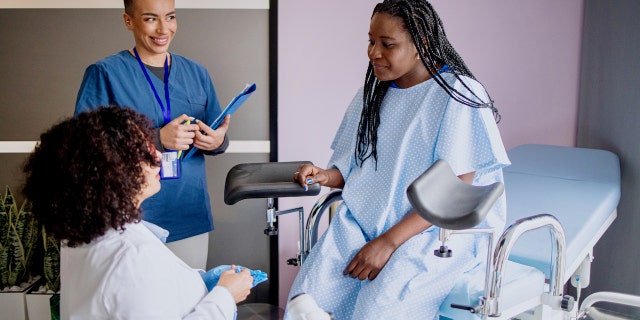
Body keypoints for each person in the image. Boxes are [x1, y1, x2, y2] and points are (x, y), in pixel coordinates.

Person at [285, 1, 510, 319]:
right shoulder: (373, 95)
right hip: (364, 223)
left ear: (423, 44)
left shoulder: (458, 95)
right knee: (304, 304)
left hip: (435, 232)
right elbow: (353, 169)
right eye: (371, 41)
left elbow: (456, 195)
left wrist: (389, 242)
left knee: (375, 312)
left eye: (387, 44)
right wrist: (324, 175)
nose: (374, 53)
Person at [22, 106, 253, 319]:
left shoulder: (87, 232)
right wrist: (225, 296)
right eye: (144, 153)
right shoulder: (130, 257)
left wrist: (197, 281)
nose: (159, 158)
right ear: (111, 173)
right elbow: (136, 278)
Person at [74, 0, 227, 269]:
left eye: (170, 17)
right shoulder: (105, 73)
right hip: (131, 219)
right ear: (128, 21)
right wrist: (156, 140)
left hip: (188, 214)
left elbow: (217, 136)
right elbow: (84, 145)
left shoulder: (197, 73)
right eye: (150, 19)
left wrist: (217, 142)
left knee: (189, 304)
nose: (163, 29)